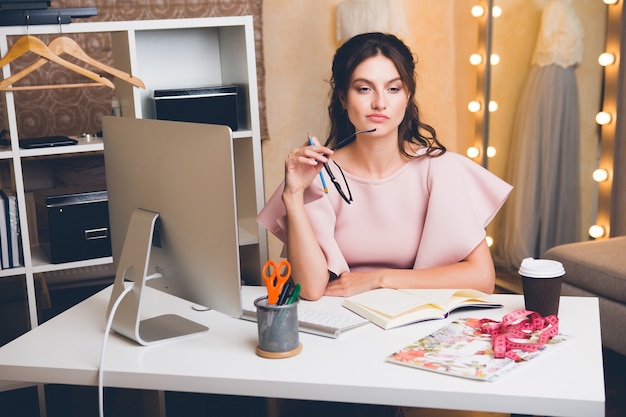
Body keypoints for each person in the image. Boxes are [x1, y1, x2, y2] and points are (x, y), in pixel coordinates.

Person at [257, 32, 512, 301]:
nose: (380, 102)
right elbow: (310, 289)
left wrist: (380, 279)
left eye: (393, 88)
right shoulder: (320, 176)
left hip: (418, 320)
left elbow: (483, 279)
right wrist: (293, 195)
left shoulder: (440, 170)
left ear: (408, 95)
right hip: (343, 324)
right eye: (364, 88)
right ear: (343, 98)